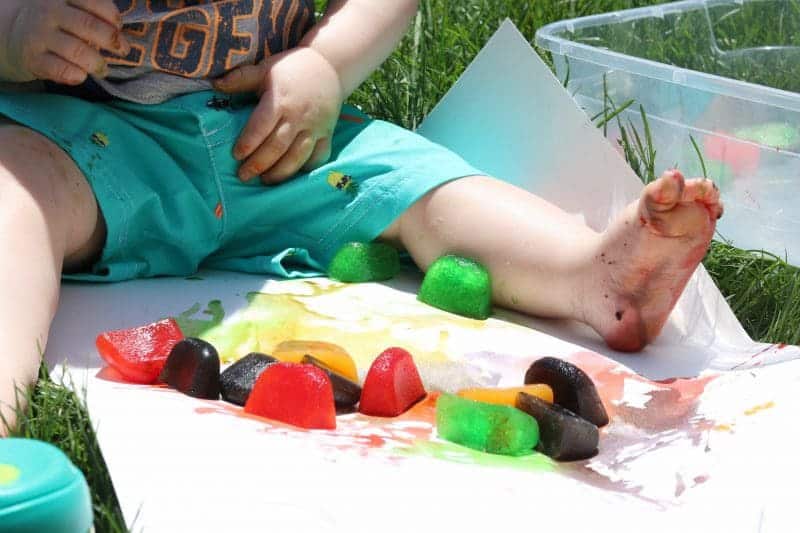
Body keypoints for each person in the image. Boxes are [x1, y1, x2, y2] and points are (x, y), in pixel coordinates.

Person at [0, 0, 722, 431]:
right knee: (14, 196)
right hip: (86, 143)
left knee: (426, 187)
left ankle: (590, 273)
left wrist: (328, 64)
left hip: (282, 139)